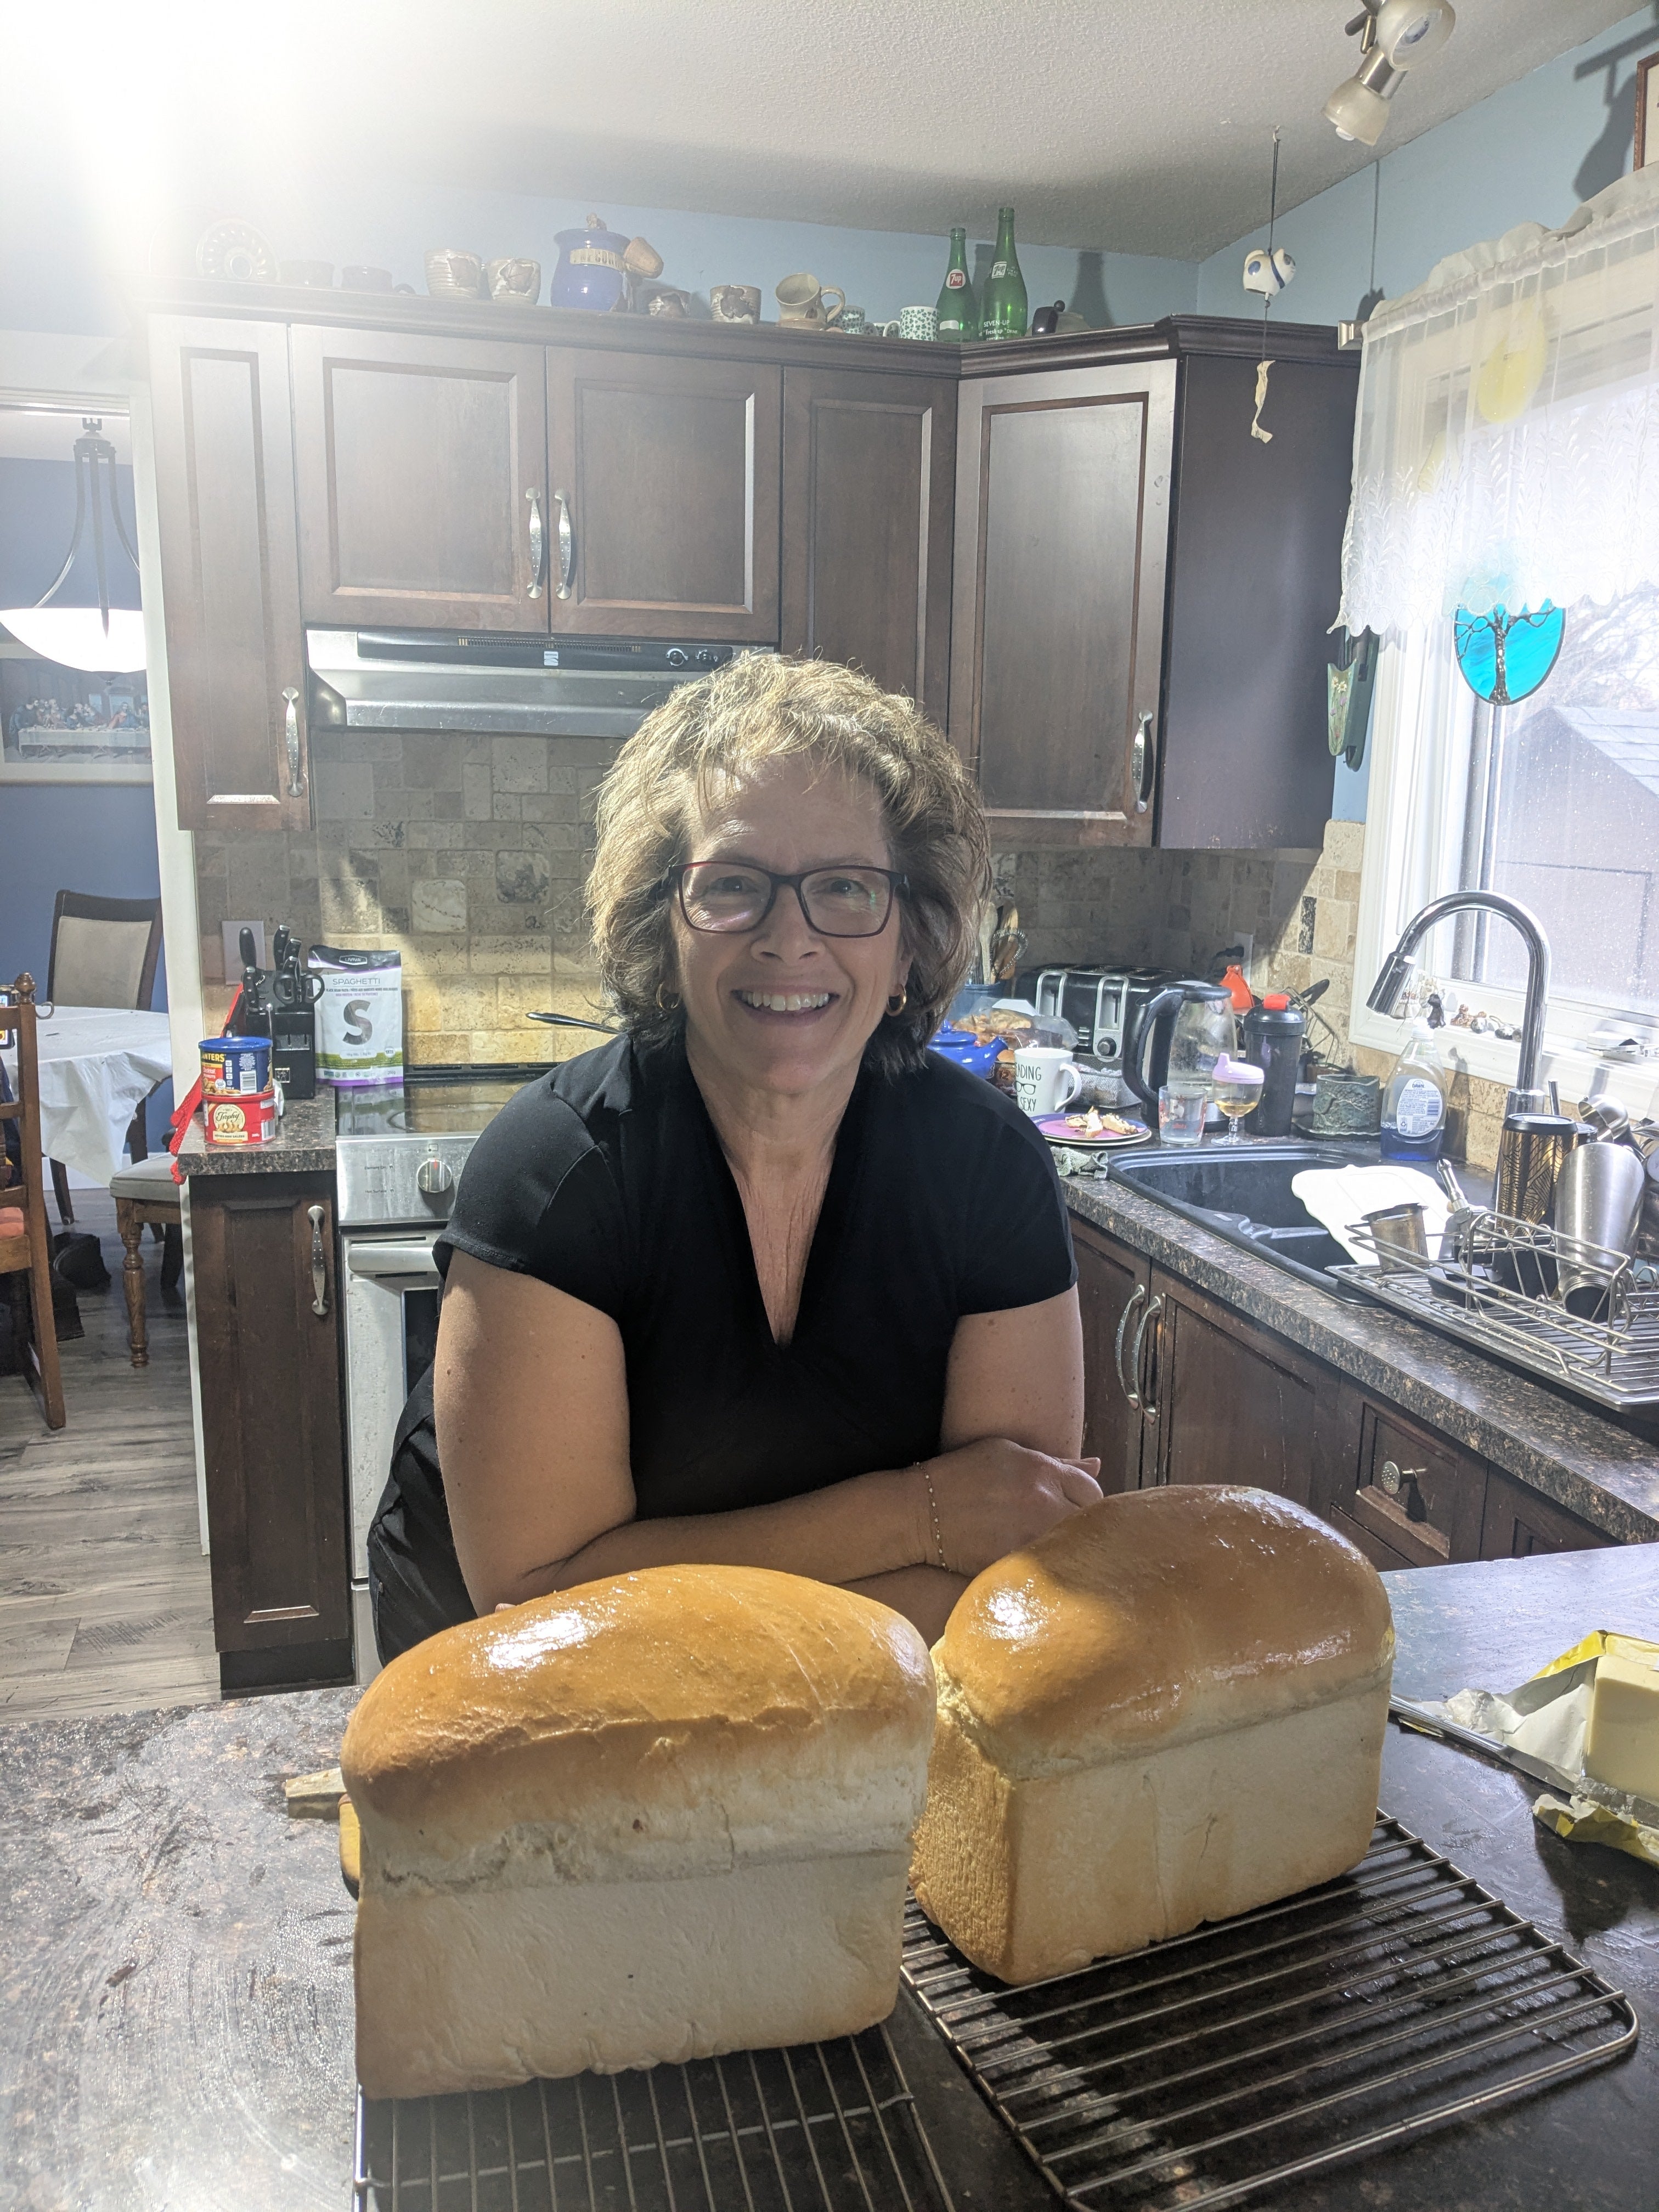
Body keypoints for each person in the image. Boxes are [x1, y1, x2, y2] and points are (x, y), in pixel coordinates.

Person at [368, 655, 1101, 1658]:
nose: (789, 938)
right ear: (663, 926)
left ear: (912, 939)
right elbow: (544, 1610)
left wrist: (647, 1578)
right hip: (506, 1700)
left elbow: (1010, 1584)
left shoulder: (991, 1170)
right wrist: (921, 1515)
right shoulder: (555, 1170)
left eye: (846, 887)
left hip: (836, 1698)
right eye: (734, 887)